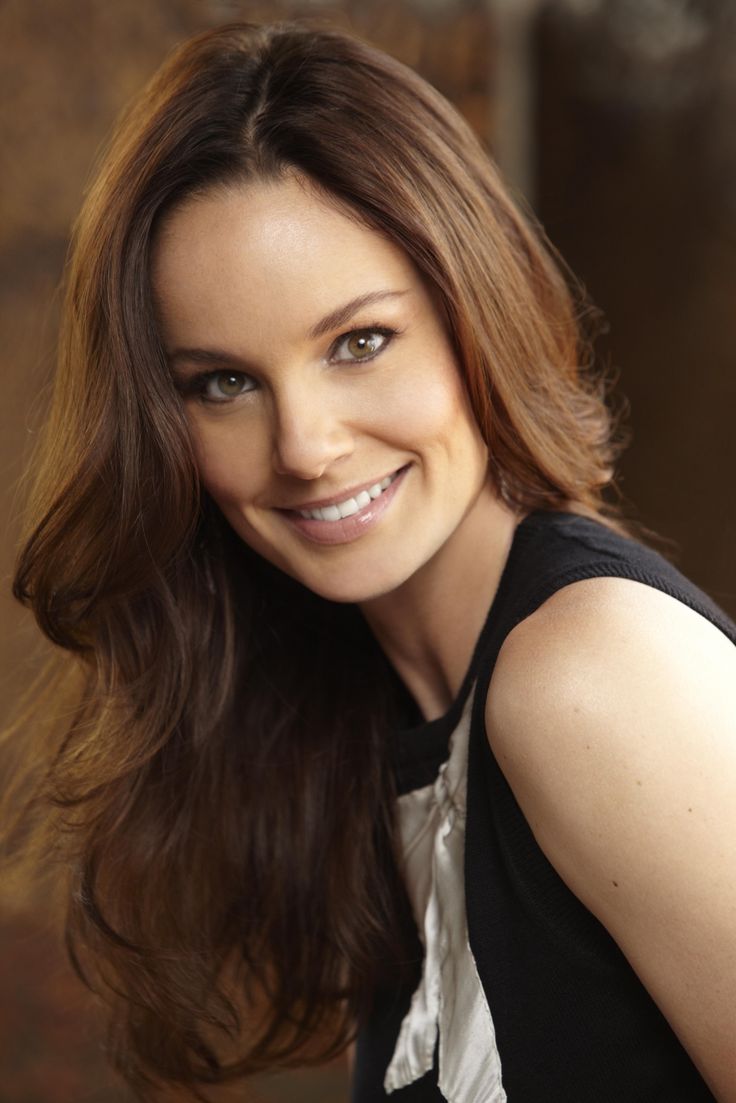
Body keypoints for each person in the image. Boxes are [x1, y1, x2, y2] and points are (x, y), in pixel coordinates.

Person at [3, 19, 735, 1103]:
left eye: (359, 341)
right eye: (222, 382)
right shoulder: (382, 712)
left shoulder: (585, 672)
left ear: (471, 312)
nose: (303, 445)